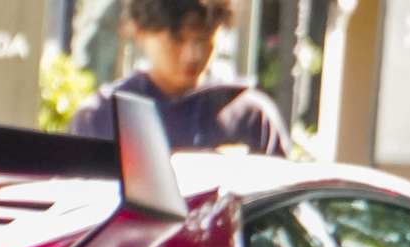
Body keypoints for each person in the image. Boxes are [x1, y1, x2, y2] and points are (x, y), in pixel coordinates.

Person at [68, 0, 288, 155]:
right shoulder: (101, 116)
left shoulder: (251, 116)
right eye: (177, 40)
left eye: (204, 39)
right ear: (140, 33)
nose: (193, 55)